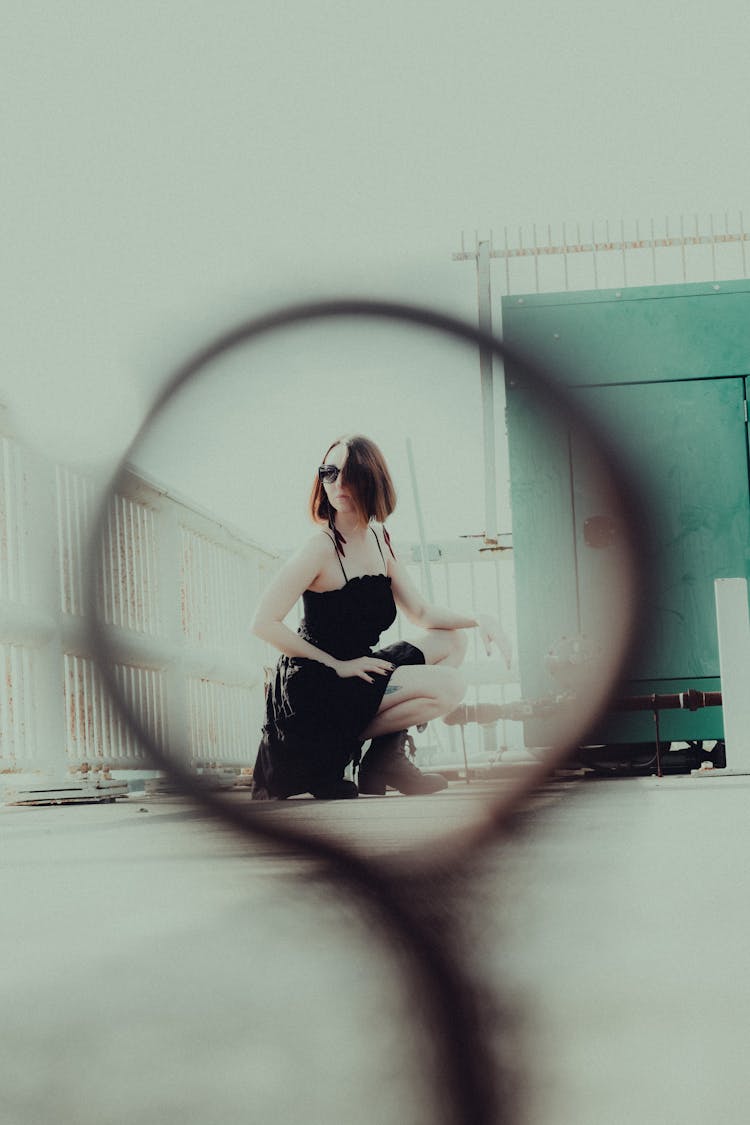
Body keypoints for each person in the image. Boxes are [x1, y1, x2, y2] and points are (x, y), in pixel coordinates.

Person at [250, 434, 512, 800]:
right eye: (329, 472)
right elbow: (263, 622)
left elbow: (421, 612)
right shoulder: (320, 546)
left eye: (350, 473)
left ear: (372, 478)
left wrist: (481, 618)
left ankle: (384, 759)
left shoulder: (379, 538)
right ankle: (331, 745)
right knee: (449, 687)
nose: (338, 484)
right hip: (318, 684)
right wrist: (335, 665)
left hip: (360, 670)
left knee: (452, 640)